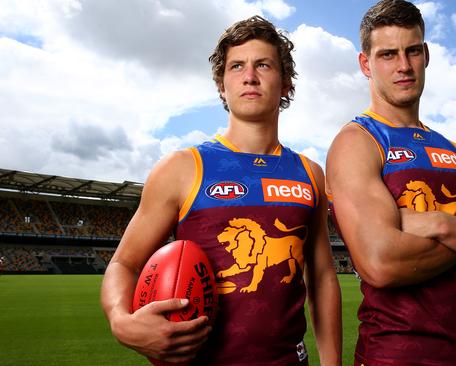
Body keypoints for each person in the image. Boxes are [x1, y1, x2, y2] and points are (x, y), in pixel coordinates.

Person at [101, 15, 341, 366]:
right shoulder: (182, 168)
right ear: (221, 85)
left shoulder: (309, 173)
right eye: (237, 66)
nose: (249, 76)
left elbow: (321, 277)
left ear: (286, 83)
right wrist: (120, 321)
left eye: (263, 65)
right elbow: (124, 263)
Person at [326, 1, 456, 365]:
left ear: (426, 55)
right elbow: (381, 262)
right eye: (388, 54)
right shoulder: (356, 142)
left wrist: (440, 223)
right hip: (392, 356)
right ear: (365, 64)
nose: (403, 66)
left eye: (412, 51)